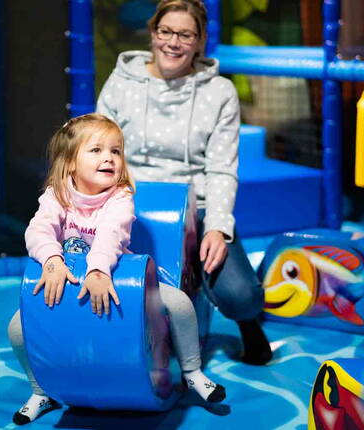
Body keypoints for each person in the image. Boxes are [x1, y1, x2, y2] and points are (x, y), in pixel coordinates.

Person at [7, 113, 226, 425]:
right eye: (96, 150)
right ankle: (41, 388)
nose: (108, 158)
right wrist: (52, 260)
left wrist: (97, 270)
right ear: (70, 162)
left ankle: (192, 372)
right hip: (67, 280)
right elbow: (38, 230)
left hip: (115, 276)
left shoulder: (120, 198)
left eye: (115, 151)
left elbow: (112, 234)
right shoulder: (57, 195)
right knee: (17, 329)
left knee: (178, 303)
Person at [96, 0, 273, 366]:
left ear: (199, 41)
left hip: (198, 208)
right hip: (131, 204)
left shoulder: (219, 92)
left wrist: (218, 229)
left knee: (241, 294)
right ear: (153, 33)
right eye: (166, 32)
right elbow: (98, 150)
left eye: (185, 35)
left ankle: (247, 322)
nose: (173, 43)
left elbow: (222, 167)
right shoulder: (121, 82)